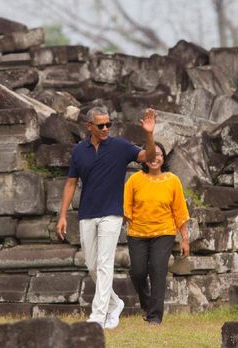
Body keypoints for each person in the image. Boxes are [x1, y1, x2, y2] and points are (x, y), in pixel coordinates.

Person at [56, 106, 156, 329]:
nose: (105, 129)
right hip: (87, 214)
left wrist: (149, 134)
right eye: (100, 125)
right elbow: (71, 183)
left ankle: (98, 316)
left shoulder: (119, 146)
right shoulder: (79, 151)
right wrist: (62, 215)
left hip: (112, 214)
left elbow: (148, 156)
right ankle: (115, 303)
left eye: (108, 124)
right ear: (89, 126)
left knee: (104, 264)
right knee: (91, 265)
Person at [123, 142, 190, 325]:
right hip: (137, 233)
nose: (155, 158)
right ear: (145, 157)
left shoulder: (172, 180)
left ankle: (154, 317)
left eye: (159, 154)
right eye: (151, 154)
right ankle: (147, 304)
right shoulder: (134, 180)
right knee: (137, 272)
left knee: (158, 271)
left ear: (164, 158)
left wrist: (185, 238)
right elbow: (125, 209)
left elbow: (180, 212)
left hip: (164, 233)